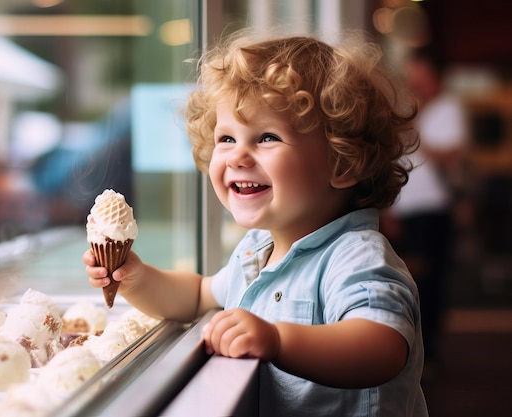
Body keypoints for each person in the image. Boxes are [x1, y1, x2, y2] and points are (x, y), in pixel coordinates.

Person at [84, 33, 427, 416]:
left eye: (267, 137)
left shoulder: (355, 254)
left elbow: (383, 347)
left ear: (342, 163)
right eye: (226, 138)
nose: (237, 157)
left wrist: (278, 340)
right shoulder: (256, 248)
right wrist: (138, 278)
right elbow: (197, 295)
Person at [381, 46, 468, 369]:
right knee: (401, 282)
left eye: (421, 78)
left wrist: (418, 133)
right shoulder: (406, 109)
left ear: (436, 77)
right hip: (401, 210)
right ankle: (403, 350)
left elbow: (453, 155)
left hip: (432, 211)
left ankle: (427, 353)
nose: (415, 84)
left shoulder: (448, 109)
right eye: (411, 78)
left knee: (430, 284)